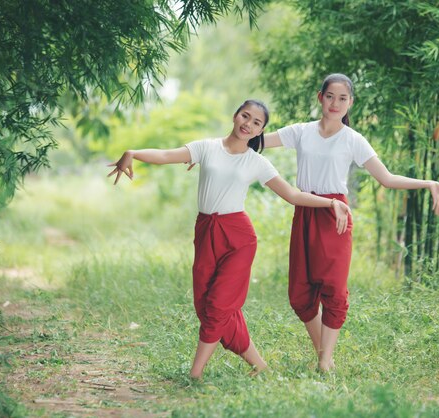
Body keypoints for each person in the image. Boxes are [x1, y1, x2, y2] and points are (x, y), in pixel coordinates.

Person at [108, 99, 353, 379]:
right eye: (245, 116)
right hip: (206, 232)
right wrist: (133, 153)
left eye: (256, 122)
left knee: (219, 304)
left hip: (238, 239)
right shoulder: (206, 147)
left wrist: (330, 203)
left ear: (261, 131)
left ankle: (195, 374)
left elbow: (293, 195)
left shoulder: (256, 162)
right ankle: (259, 365)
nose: (248, 124)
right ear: (235, 115)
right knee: (206, 304)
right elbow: (166, 155)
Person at [261, 73, 439, 372]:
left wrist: (428, 183)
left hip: (337, 215)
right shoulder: (301, 132)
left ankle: (325, 359)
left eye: (343, 98)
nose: (336, 103)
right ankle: (323, 352)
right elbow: (253, 141)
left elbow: (386, 178)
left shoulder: (353, 140)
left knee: (333, 288)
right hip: (306, 210)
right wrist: (206, 150)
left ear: (351, 102)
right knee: (300, 292)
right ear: (320, 97)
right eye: (330, 96)